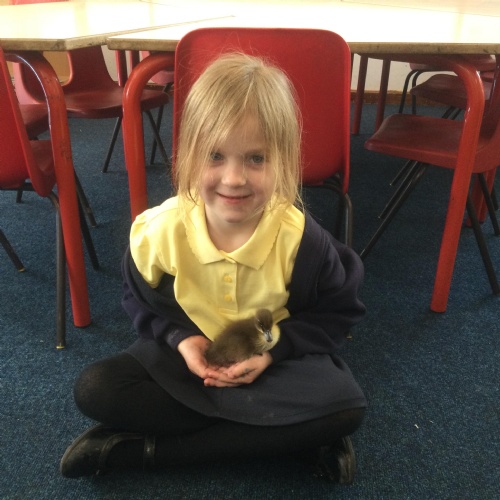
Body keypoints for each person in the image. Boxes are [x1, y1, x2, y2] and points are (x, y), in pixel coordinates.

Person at [60, 53, 367, 484]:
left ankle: (139, 453)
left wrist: (272, 353)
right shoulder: (161, 230)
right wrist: (181, 339)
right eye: (215, 155)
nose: (234, 178)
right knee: (96, 389)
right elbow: (139, 298)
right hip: (189, 363)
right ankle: (283, 435)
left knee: (347, 407)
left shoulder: (302, 242)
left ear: (284, 161)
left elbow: (337, 312)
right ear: (188, 155)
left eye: (256, 158)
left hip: (271, 365)